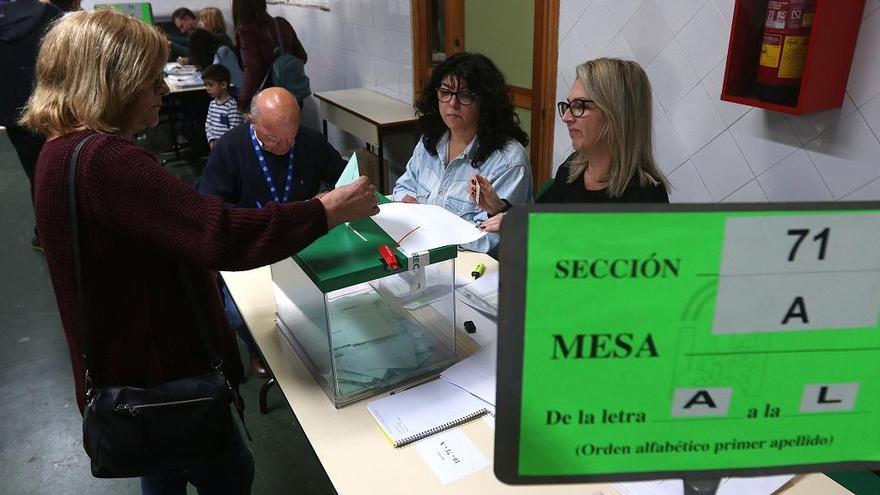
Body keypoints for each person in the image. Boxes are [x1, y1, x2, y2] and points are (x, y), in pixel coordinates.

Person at [21, 10, 378, 493]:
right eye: (151, 82)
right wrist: (324, 210)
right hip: (163, 376)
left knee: (162, 469)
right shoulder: (109, 162)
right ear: (113, 84)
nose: (163, 92)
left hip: (128, 376)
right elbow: (219, 233)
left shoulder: (57, 151)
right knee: (229, 471)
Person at [198, 87, 347, 377]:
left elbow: (343, 177)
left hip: (304, 241)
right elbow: (210, 206)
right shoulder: (230, 148)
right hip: (250, 247)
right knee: (239, 314)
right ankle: (259, 349)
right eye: (274, 138)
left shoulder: (309, 141)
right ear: (252, 123)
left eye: (291, 136)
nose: (286, 144)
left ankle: (319, 347)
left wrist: (341, 196)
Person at [472, 58, 670, 233]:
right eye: (568, 106)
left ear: (616, 114)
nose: (566, 118)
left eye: (579, 106)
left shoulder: (646, 196)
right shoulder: (573, 168)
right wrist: (497, 207)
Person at [392, 52, 532, 253]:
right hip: (422, 249)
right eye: (445, 92)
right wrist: (406, 204)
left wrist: (424, 224)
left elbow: (486, 240)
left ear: (485, 102)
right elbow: (403, 186)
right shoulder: (430, 138)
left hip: (475, 269)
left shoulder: (509, 160)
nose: (452, 103)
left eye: (465, 95)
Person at [1, 0, 62, 251]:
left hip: (13, 112)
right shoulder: (50, 15)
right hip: (52, 107)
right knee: (61, 169)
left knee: (36, 173)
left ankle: (46, 233)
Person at [232, 0, 307, 109]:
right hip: (293, 96)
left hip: (268, 100)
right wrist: (282, 68)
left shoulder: (246, 30)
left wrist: (243, 101)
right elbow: (302, 57)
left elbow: (253, 69)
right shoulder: (281, 24)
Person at [203, 64, 244, 149]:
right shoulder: (212, 105)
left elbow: (234, 130)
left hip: (228, 148)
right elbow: (208, 124)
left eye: (210, 85)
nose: (207, 88)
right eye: (206, 85)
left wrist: (224, 145)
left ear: (223, 85)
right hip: (215, 146)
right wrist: (211, 140)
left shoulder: (232, 106)